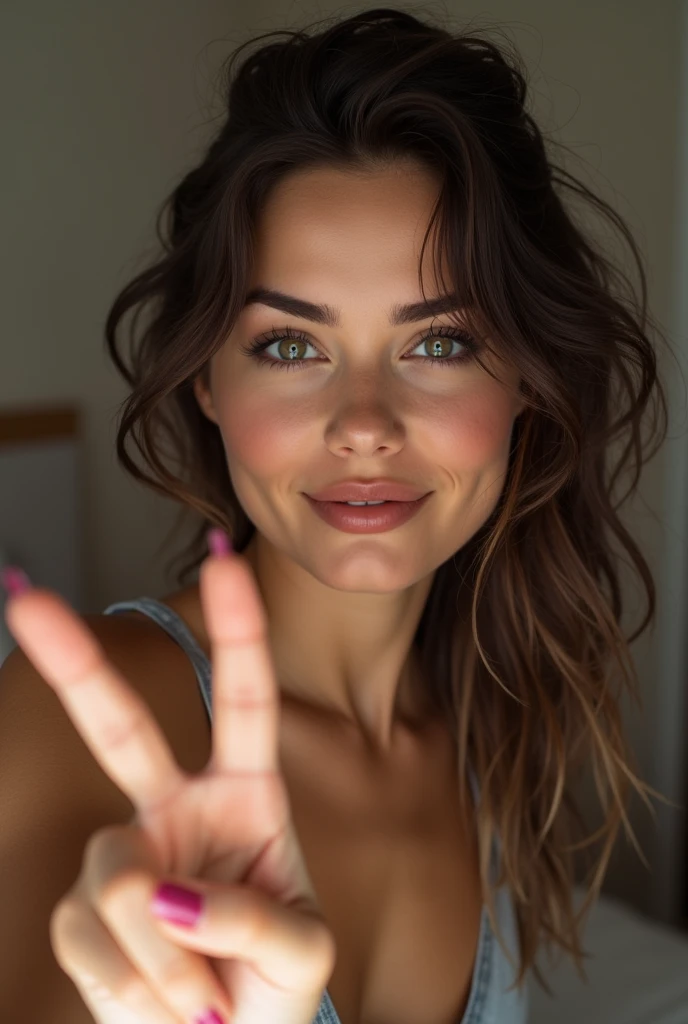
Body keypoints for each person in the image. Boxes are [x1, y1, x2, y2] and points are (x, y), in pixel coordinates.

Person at [0, 7, 675, 1024]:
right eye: (289, 345)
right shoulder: (79, 721)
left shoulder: (494, 725)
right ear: (207, 384)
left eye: (439, 343)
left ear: (528, 382)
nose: (365, 424)